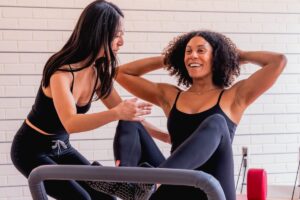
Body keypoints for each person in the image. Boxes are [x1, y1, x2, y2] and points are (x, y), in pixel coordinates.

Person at [100, 30, 286, 200]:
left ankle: (152, 180)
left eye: (200, 50)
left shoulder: (233, 97)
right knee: (128, 116)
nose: (193, 55)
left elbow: (278, 62)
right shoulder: (171, 96)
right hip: (176, 184)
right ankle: (126, 182)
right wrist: (170, 58)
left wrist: (239, 55)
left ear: (216, 57)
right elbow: (121, 73)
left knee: (217, 122)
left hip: (213, 189)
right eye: (188, 51)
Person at [10, 1, 158, 199]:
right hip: (30, 151)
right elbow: (71, 123)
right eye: (117, 35)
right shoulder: (61, 73)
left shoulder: (96, 73)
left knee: (105, 197)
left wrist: (165, 136)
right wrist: (116, 113)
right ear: (98, 33)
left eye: (123, 34)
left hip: (62, 148)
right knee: (82, 198)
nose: (121, 41)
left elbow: (128, 114)